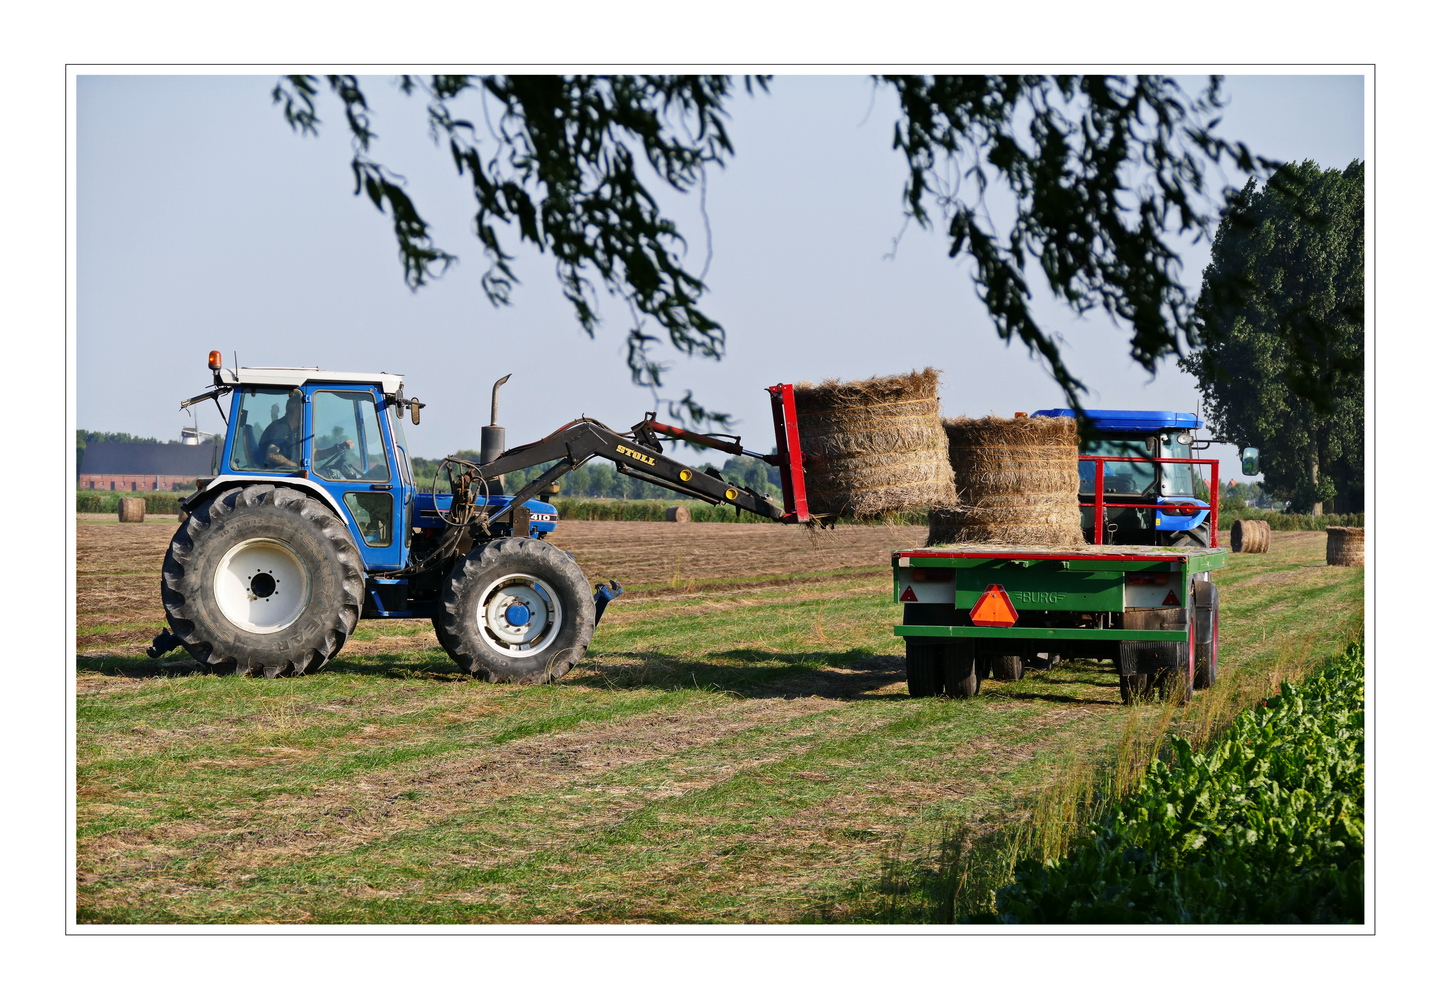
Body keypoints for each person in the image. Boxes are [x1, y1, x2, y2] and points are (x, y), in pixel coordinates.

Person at [258, 391, 353, 470]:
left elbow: (314, 455)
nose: (309, 412)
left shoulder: (297, 431)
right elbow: (271, 455)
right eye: (305, 407)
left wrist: (338, 448)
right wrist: (296, 466)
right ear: (294, 407)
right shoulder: (280, 427)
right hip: (279, 473)